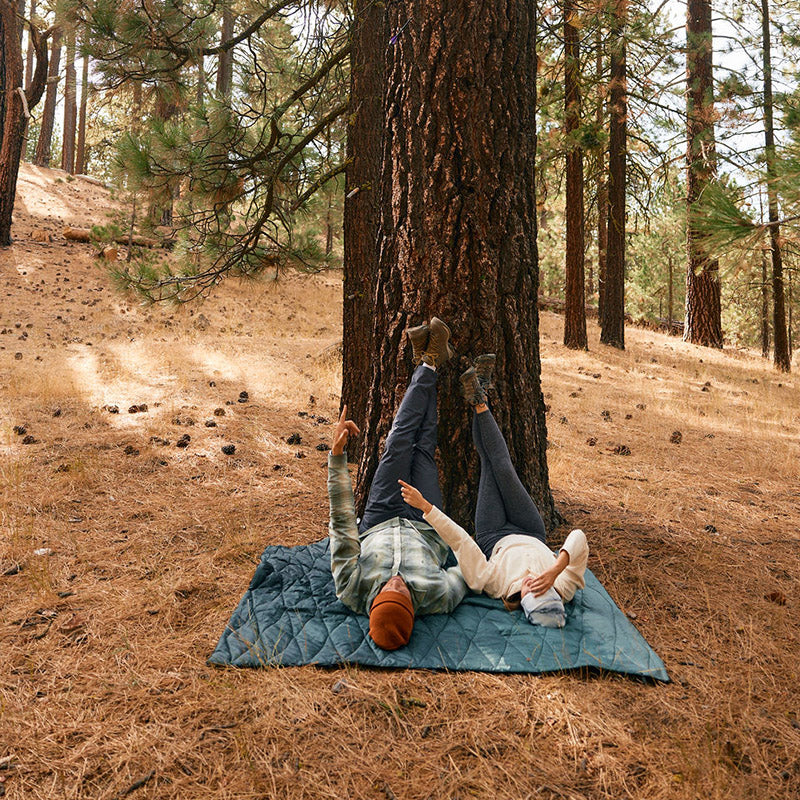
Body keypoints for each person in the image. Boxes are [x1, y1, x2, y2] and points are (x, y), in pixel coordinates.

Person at [399, 358, 588, 629]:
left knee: (489, 464)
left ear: (522, 603)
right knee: (503, 466)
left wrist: (427, 508)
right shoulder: (564, 587)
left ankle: (480, 398)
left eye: (530, 594)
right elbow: (579, 539)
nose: (533, 586)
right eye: (543, 590)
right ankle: (478, 398)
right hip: (531, 529)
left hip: (493, 534)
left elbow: (462, 543)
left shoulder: (492, 586)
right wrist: (555, 570)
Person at [327, 318, 467, 650]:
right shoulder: (439, 596)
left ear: (374, 603)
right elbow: (469, 568)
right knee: (423, 446)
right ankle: (428, 359)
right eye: (403, 593)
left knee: (398, 441)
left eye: (387, 591)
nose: (395, 584)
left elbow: (343, 523)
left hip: (380, 516)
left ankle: (429, 362)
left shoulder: (351, 588)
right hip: (424, 522)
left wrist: (336, 456)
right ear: (414, 610)